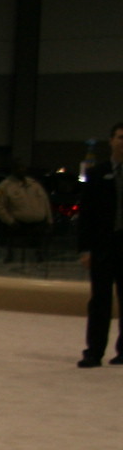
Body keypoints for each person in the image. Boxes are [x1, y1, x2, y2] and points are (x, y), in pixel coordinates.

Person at [76, 121, 123, 367]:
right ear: (111, 141)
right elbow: (86, 215)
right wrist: (85, 249)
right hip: (103, 247)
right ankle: (94, 352)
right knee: (100, 301)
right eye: (120, 137)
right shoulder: (96, 174)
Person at [0, 163, 52, 268]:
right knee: (18, 253)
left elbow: (45, 202)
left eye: (23, 168)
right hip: (19, 225)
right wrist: (10, 221)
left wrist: (49, 220)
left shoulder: (34, 184)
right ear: (13, 170)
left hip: (38, 225)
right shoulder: (5, 187)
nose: (21, 170)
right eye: (18, 168)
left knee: (38, 252)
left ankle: (38, 267)